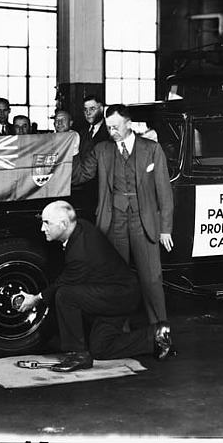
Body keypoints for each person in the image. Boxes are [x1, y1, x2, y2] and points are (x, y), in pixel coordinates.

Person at [17, 201, 174, 372]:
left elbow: (63, 283)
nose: (42, 228)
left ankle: (78, 354)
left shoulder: (80, 250)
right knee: (101, 349)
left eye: (46, 222)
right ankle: (155, 335)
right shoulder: (80, 227)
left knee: (64, 295)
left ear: (63, 224)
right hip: (110, 294)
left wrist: (35, 299)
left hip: (119, 296)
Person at [72, 104, 174, 332]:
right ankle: (119, 332)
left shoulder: (152, 149)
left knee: (151, 281)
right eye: (108, 128)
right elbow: (79, 175)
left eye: (116, 127)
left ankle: (161, 333)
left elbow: (164, 191)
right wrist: (74, 149)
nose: (112, 132)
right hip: (113, 221)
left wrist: (165, 228)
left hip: (144, 222)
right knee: (116, 282)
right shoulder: (102, 150)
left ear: (128, 124)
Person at [78, 95, 109, 159]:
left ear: (101, 109)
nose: (88, 113)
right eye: (85, 109)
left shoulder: (109, 131)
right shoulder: (81, 132)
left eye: (92, 109)